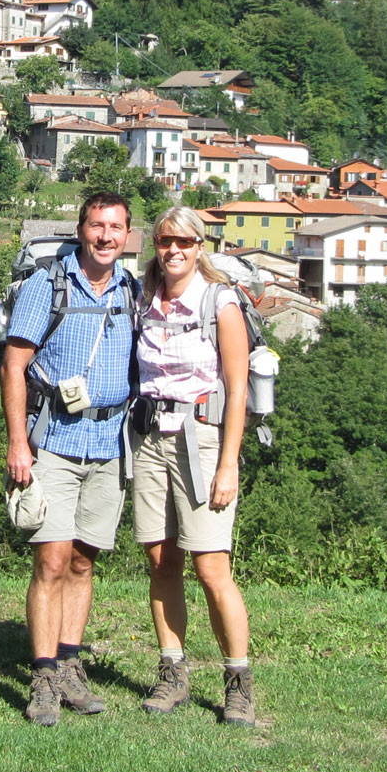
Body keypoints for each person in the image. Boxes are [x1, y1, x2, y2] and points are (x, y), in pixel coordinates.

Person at [1, 191, 139, 727]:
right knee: (51, 560)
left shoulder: (131, 291)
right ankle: (42, 675)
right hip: (53, 439)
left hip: (108, 444)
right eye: (96, 226)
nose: (105, 236)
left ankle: (70, 664)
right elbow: (15, 365)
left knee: (84, 561)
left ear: (127, 235)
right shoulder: (47, 285)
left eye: (115, 228)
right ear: (81, 229)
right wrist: (18, 443)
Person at [130, 204, 257, 728]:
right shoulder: (144, 298)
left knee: (211, 566)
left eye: (184, 242)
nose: (174, 251)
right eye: (165, 242)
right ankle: (173, 672)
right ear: (155, 246)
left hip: (202, 440)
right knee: (161, 561)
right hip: (149, 438)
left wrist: (229, 464)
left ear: (200, 247)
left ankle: (239, 682)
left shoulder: (218, 302)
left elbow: (238, 389)